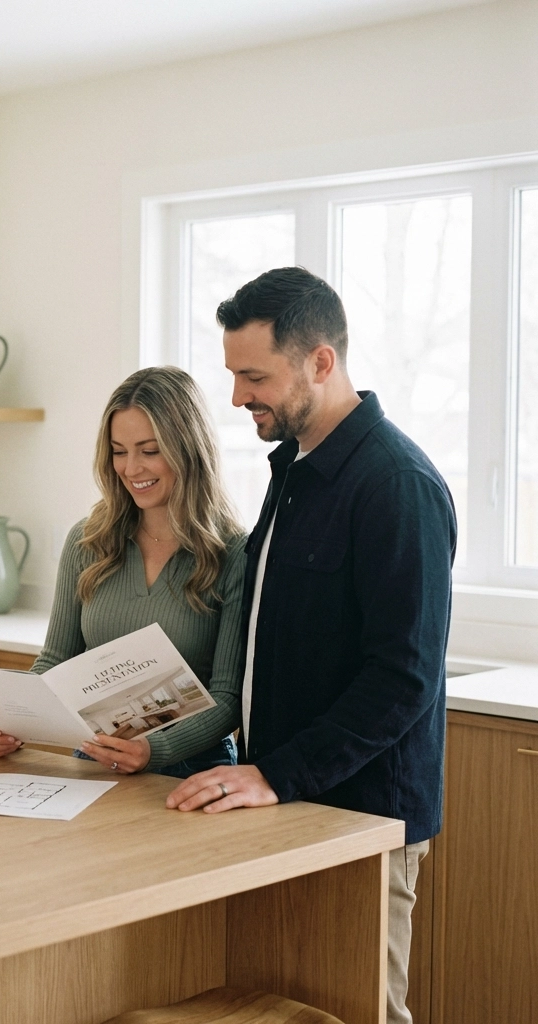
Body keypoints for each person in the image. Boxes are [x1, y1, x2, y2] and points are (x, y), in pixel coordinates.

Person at [164, 268, 455, 1024]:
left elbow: (403, 678)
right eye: (233, 375)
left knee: (367, 1012)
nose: (237, 398)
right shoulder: (294, 470)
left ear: (321, 363)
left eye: (254, 376)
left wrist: (276, 773)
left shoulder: (395, 483)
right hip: (293, 801)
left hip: (360, 815)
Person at [0, 366, 246, 778]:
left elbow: (229, 696)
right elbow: (55, 660)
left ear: (189, 449)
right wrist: (11, 720)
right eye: (119, 451)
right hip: (95, 763)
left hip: (196, 770)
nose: (131, 468)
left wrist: (153, 749)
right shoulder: (88, 541)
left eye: (150, 450)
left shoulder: (233, 552)